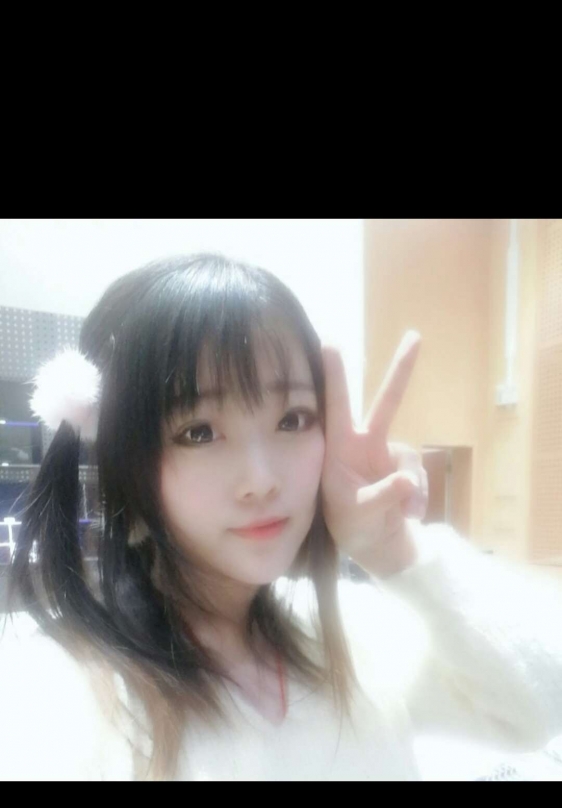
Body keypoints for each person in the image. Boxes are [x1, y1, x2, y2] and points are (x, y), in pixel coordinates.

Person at [1, 253, 561, 781]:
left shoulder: (344, 629)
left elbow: (534, 711)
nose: (262, 478)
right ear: (123, 459)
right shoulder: (59, 693)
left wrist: (395, 551)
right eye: (199, 432)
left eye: (292, 419)